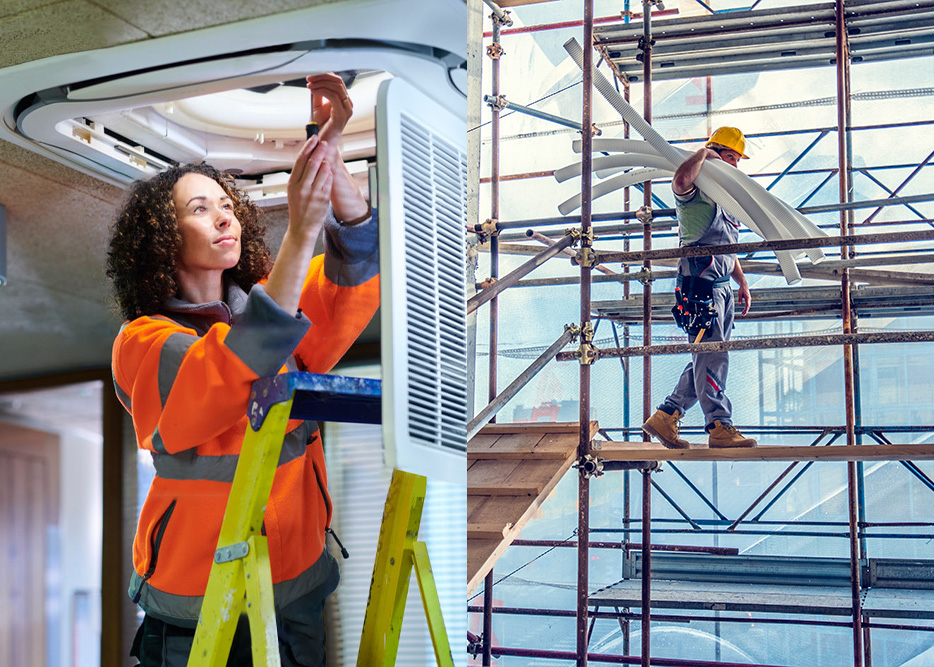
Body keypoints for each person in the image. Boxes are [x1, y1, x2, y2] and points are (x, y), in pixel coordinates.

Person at [106, 73, 379, 666]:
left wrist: (338, 184)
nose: (224, 217)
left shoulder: (268, 309)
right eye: (200, 209)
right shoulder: (144, 343)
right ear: (161, 238)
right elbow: (226, 365)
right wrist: (301, 231)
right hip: (200, 600)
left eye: (227, 205)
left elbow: (347, 290)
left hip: (296, 586)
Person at [642, 126, 757, 449]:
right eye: (730, 157)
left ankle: (667, 415)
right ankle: (719, 425)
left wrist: (742, 282)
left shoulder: (726, 202)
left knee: (705, 358)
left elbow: (727, 248)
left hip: (722, 289)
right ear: (716, 152)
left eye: (737, 160)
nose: (735, 166)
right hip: (701, 289)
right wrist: (704, 155)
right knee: (712, 357)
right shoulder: (697, 200)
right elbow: (679, 182)